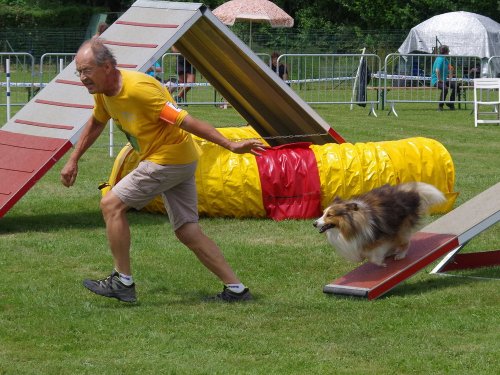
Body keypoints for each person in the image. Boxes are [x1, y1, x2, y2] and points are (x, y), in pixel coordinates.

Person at [60, 38, 266, 303]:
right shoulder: (102, 92)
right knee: (187, 230)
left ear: (108, 66)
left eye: (86, 70)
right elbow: (97, 122)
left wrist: (230, 144)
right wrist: (73, 159)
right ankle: (237, 290)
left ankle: (122, 281)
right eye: (79, 72)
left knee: (111, 204)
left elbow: (184, 119)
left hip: (167, 160)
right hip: (178, 160)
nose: (82, 78)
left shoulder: (140, 90)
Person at [431, 45, 460, 111]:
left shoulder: (445, 59)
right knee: (445, 88)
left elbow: (451, 68)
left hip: (443, 80)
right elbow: (437, 70)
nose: (449, 52)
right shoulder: (440, 59)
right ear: (446, 52)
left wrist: (451, 76)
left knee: (456, 85)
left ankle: (450, 103)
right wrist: (439, 79)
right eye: (448, 50)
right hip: (436, 80)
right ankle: (440, 106)